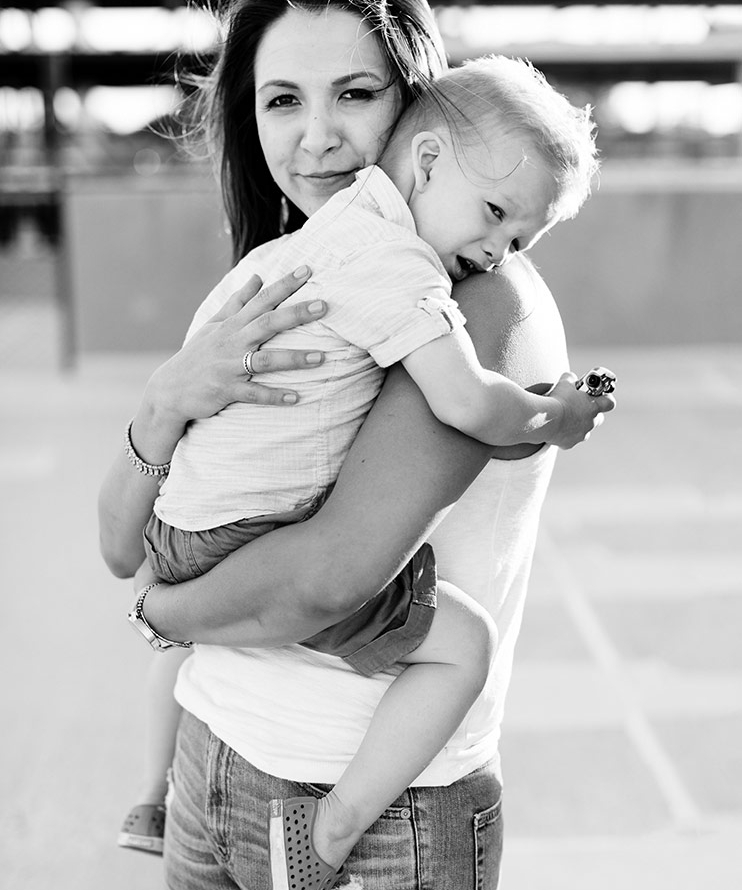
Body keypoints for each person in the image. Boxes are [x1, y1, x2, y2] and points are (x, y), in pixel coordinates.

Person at [99, 1, 615, 887]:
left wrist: (162, 612)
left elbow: (326, 580)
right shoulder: (285, 277)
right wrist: (163, 400)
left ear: (418, 104)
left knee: (460, 644)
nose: (318, 138)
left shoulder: (476, 297)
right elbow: (117, 547)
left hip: (384, 818)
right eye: (282, 101)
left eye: (356, 92)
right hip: (210, 758)